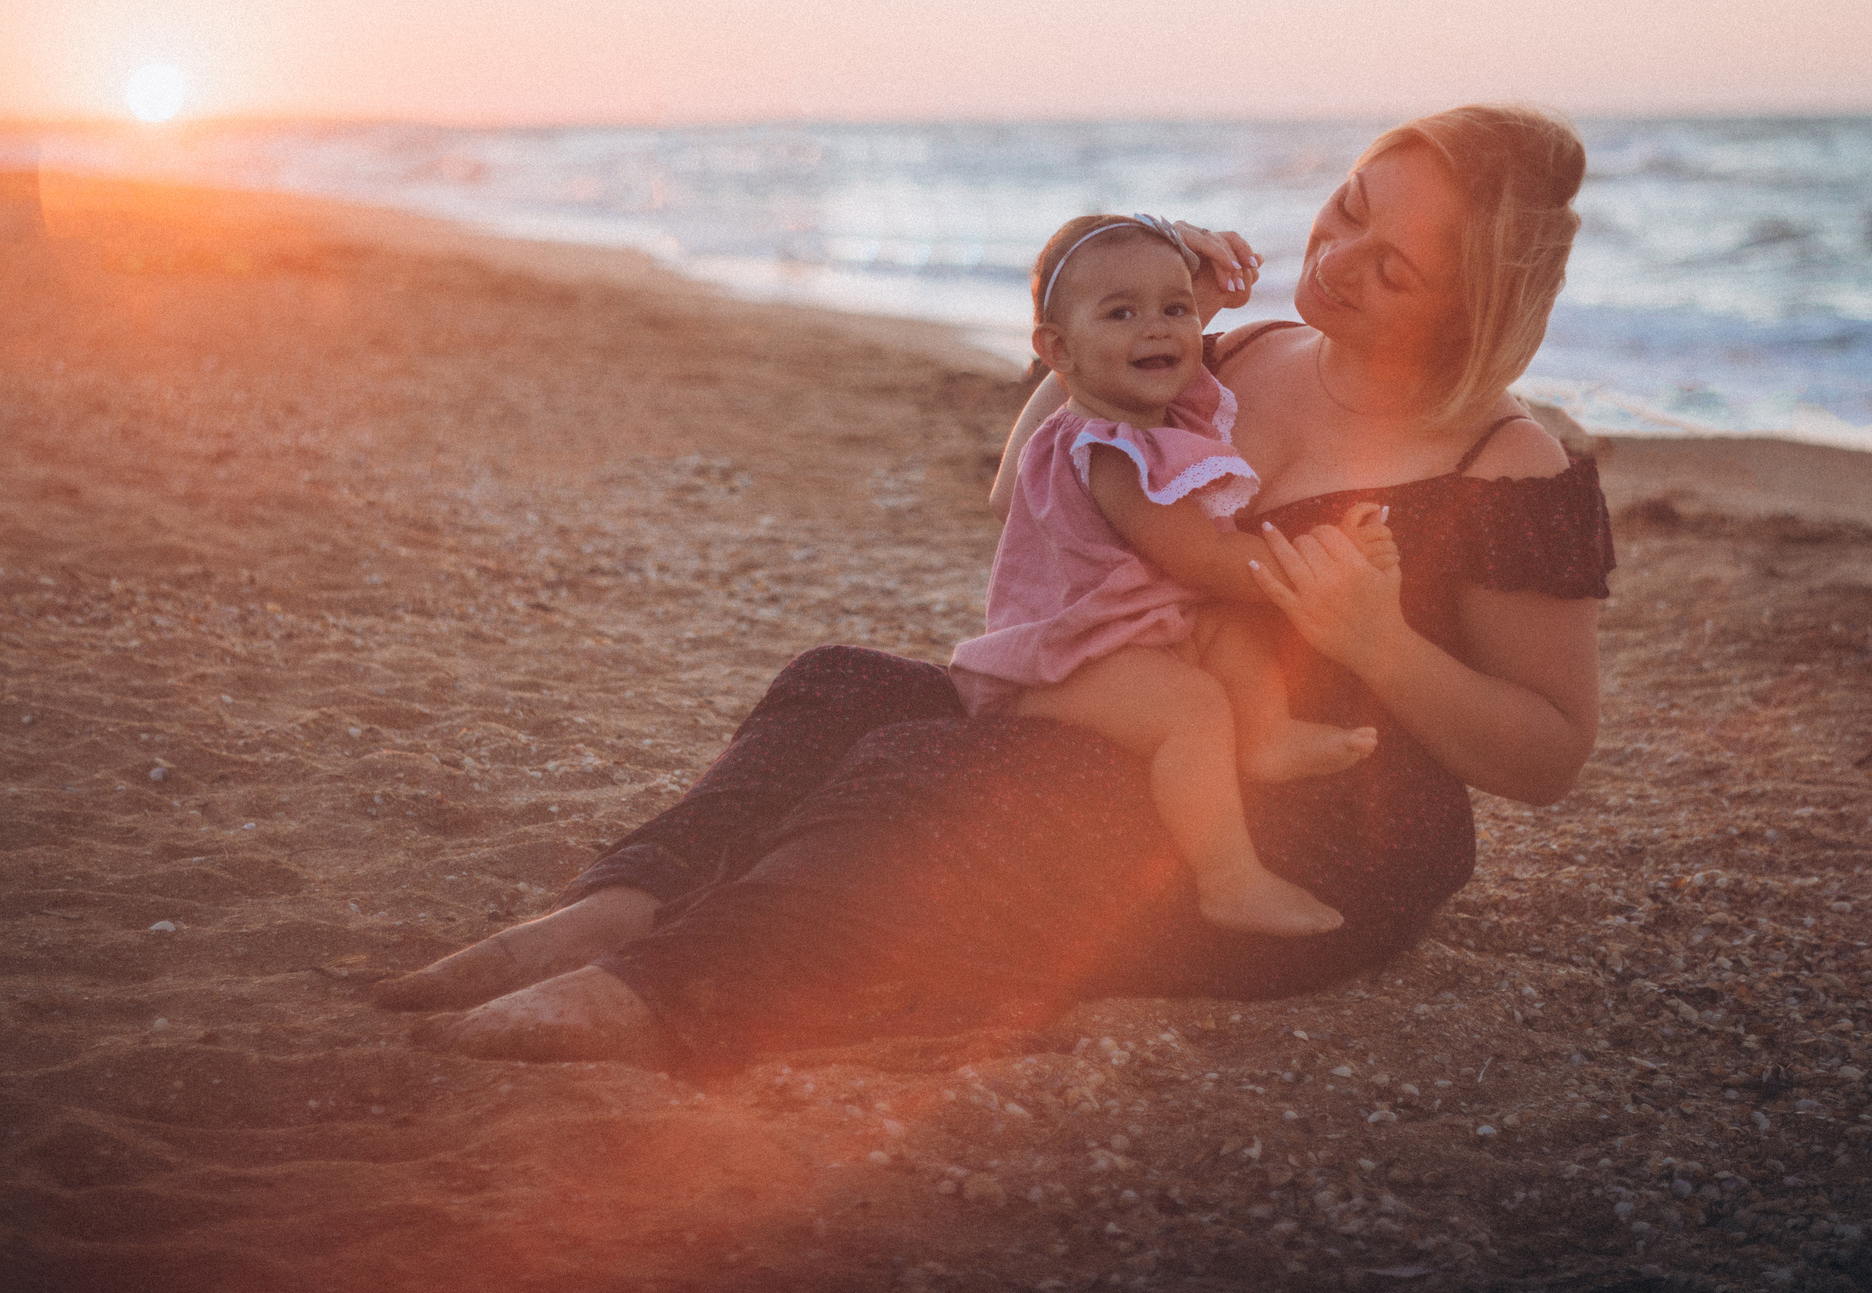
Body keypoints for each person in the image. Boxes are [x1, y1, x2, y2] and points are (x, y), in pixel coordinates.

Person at [377, 104, 1610, 1072]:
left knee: (937, 772)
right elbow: (1030, 478)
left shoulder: (1505, 465)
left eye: (1390, 268)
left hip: (1319, 834)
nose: (1333, 259)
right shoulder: (1244, 348)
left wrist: (1378, 642)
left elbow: (1547, 756)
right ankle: (621, 906)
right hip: (1145, 731)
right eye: (1344, 208)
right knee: (842, 687)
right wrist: (1113, 328)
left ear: (1474, 303)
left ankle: (669, 991)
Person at [955, 211, 1394, 937]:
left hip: (1127, 630)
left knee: (1223, 631)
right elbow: (1202, 560)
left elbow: (1201, 580)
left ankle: (1268, 733)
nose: (1157, 328)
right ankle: (1230, 879)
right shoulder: (1109, 452)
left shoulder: (1153, 420)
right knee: (1190, 706)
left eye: (1175, 309)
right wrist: (1320, 568)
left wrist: (1203, 301)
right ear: (1058, 350)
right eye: (1122, 313)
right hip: (1061, 663)